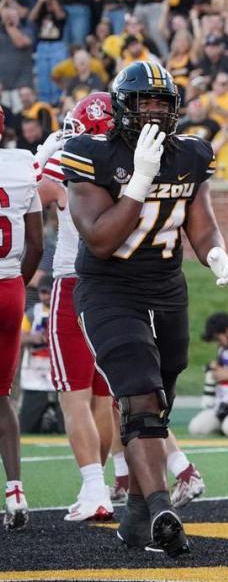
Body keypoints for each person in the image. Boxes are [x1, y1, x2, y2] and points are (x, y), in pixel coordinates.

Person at [60, 61, 228, 556]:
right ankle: (162, 509)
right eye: (144, 102)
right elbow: (99, 239)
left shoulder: (192, 154)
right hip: (110, 289)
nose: (154, 111)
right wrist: (139, 180)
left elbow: (200, 221)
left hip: (166, 288)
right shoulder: (90, 153)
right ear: (122, 106)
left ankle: (138, 516)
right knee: (139, 394)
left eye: (163, 103)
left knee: (158, 406)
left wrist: (214, 252)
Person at [38, 93, 117, 523]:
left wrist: (45, 152)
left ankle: (94, 488)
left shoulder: (69, 156)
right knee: (103, 399)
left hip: (74, 282)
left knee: (74, 398)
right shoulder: (124, 162)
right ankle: (101, 482)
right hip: (114, 288)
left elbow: (38, 189)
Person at [0, 106, 44, 530]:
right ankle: (15, 489)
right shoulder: (21, 165)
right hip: (10, 289)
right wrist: (18, 284)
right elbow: (35, 243)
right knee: (1, 396)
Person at [17, 278, 64, 436]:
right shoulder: (32, 314)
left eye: (49, 292)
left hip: (59, 378)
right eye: (42, 292)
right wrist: (33, 338)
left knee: (67, 427)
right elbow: (18, 338)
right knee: (26, 427)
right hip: (35, 378)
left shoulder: (63, 311)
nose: (46, 296)